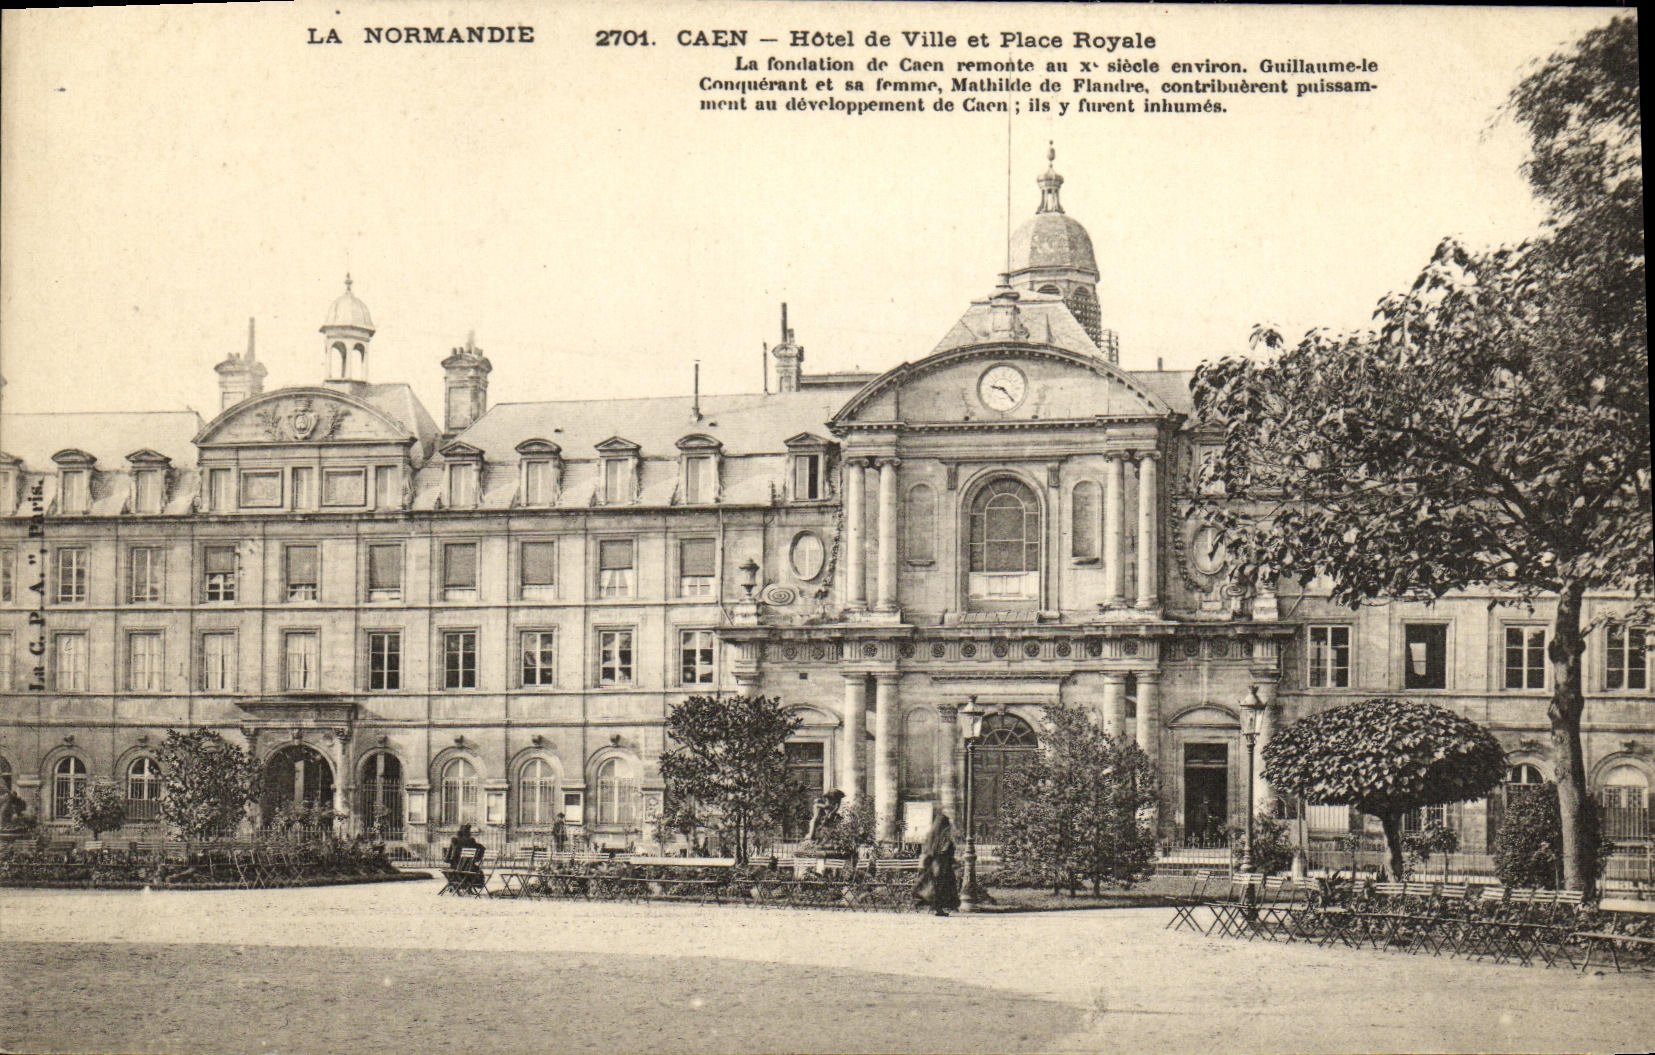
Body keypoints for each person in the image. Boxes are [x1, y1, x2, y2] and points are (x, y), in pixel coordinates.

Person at [914, 812, 960, 917]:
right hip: (942, 865)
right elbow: (944, 851)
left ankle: (935, 907)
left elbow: (927, 851)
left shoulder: (931, 836)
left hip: (932, 866)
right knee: (942, 887)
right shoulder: (944, 837)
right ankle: (939, 908)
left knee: (935, 886)